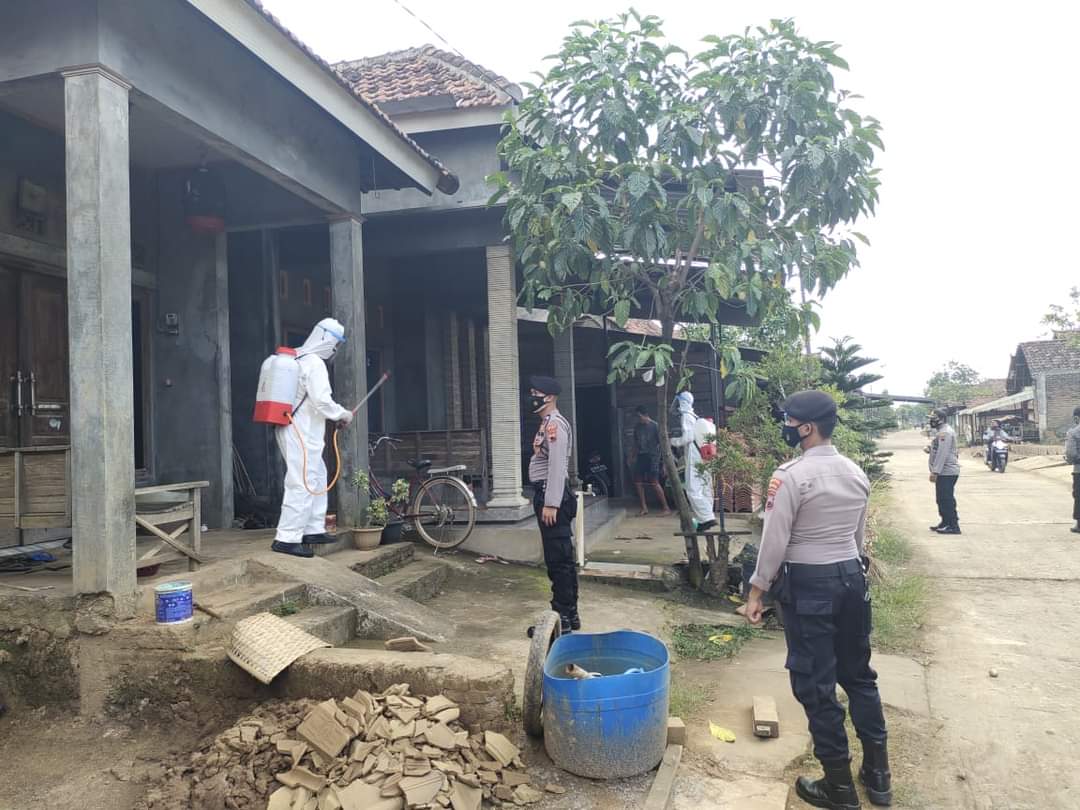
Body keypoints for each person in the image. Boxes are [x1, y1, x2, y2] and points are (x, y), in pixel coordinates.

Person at [745, 390, 891, 809]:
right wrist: (849, 571)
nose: (786, 427)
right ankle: (878, 776)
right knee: (859, 676)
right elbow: (857, 538)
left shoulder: (790, 476)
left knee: (816, 684)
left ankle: (839, 788)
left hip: (810, 586)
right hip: (852, 578)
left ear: (806, 428)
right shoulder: (855, 472)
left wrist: (757, 591)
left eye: (789, 421)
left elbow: (775, 541)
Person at [272, 318, 353, 558]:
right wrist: (343, 414)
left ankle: (313, 529)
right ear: (326, 338)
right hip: (300, 431)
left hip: (300, 429)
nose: (335, 348)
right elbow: (322, 401)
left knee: (317, 476)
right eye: (335, 343)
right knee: (301, 482)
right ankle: (286, 538)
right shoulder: (314, 363)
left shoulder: (299, 357)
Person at [526, 376, 580, 633]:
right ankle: (569, 614)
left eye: (535, 393)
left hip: (552, 496)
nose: (531, 397)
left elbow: (558, 466)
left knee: (559, 559)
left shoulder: (554, 424)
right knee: (559, 558)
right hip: (549, 494)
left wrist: (551, 503)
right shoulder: (547, 423)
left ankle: (563, 617)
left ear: (548, 397)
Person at [670, 391, 716, 531]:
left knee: (692, 489)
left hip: (695, 455)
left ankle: (707, 518)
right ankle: (705, 518)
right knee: (705, 487)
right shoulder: (695, 416)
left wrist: (672, 441)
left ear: (681, 402)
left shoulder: (686, 416)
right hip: (705, 456)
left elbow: (688, 438)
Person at [632, 405, 672, 517]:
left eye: (639, 416)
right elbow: (635, 444)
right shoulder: (637, 427)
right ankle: (644, 507)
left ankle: (666, 508)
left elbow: (664, 445)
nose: (638, 419)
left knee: (654, 482)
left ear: (645, 415)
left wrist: (664, 464)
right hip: (641, 456)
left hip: (653, 457)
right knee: (638, 482)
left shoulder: (656, 427)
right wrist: (632, 456)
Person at [928, 408, 961, 534]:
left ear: (941, 419)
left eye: (933, 419)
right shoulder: (942, 431)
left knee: (946, 499)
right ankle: (945, 522)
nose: (931, 421)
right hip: (944, 471)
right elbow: (940, 449)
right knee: (941, 499)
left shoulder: (945, 433)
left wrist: (935, 471)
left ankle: (953, 525)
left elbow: (943, 453)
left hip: (946, 471)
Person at [1066, 406, 1080, 534]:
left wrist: (1070, 460)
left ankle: (1079, 525)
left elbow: (1071, 454)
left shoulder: (1073, 432)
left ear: (1076, 418)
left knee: (1079, 496)